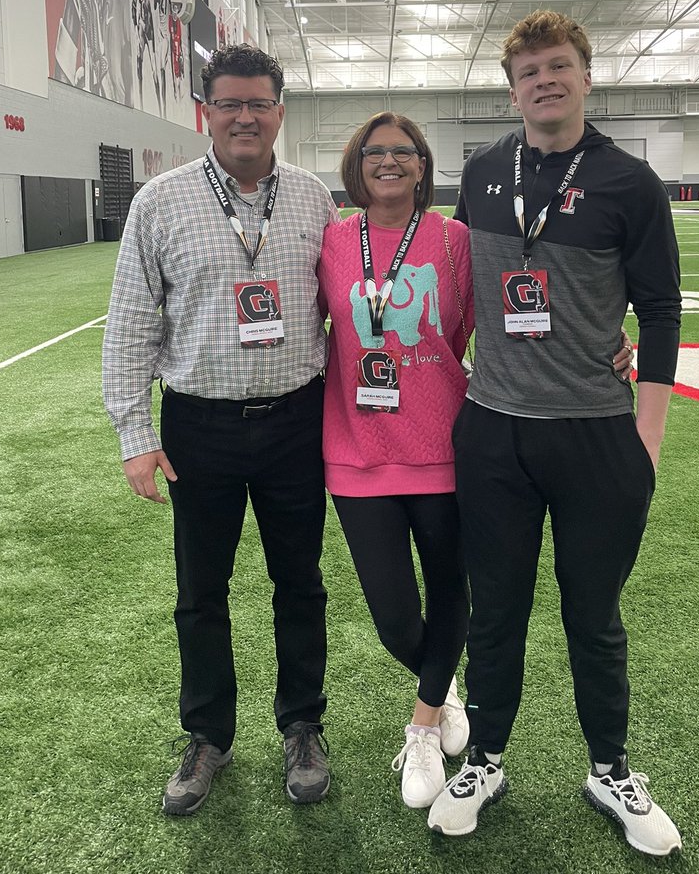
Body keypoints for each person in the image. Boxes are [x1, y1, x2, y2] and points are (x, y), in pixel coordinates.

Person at [428, 10, 683, 858]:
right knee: (494, 612)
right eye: (530, 69)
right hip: (496, 431)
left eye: (559, 65)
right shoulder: (481, 171)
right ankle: (487, 759)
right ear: (513, 88)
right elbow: (466, 286)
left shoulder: (628, 182)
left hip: (596, 435)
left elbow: (661, 307)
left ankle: (608, 767)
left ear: (584, 75)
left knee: (594, 615)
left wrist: (646, 433)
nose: (545, 79)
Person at [103, 44, 337, 815]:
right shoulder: (159, 201)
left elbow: (352, 307)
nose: (245, 116)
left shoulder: (311, 198)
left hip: (298, 422)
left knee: (298, 584)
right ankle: (208, 735)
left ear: (279, 111)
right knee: (200, 591)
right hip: (199, 425)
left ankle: (302, 725)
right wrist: (136, 434)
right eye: (230, 103)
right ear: (206, 112)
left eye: (259, 102)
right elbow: (133, 323)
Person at [318, 113, 474, 810]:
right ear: (357, 165)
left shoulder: (452, 239)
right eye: (374, 152)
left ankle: (422, 722)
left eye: (402, 152)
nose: (388, 162)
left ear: (421, 164)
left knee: (449, 596)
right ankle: (441, 689)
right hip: (357, 451)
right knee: (394, 617)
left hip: (442, 447)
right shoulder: (331, 240)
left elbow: (470, 328)